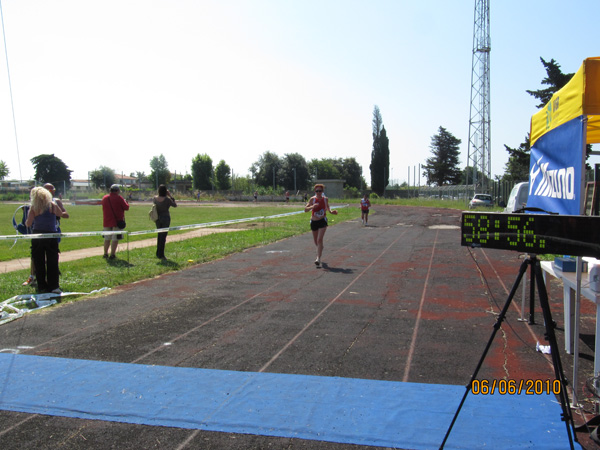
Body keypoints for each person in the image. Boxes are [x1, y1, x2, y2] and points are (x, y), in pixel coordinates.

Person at [23, 183, 69, 287]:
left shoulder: (34, 207)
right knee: (52, 261)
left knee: (39, 261)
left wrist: (27, 222)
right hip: (51, 235)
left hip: (37, 235)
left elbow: (28, 223)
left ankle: (42, 285)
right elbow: (60, 214)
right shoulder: (52, 205)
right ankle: (53, 285)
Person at [304, 184, 337, 267]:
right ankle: (320, 248)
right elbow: (305, 210)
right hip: (314, 221)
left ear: (322, 192)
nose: (318, 192)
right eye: (317, 191)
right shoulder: (312, 199)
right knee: (316, 241)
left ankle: (318, 258)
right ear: (315, 192)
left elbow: (328, 208)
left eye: (320, 191)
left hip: (322, 221)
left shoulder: (325, 199)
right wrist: (312, 207)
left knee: (319, 239)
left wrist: (331, 212)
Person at [101, 184, 129, 259]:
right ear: (117, 191)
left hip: (106, 221)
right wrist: (126, 202)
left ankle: (105, 253)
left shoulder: (104, 198)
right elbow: (126, 207)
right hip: (117, 222)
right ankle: (112, 254)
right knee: (115, 239)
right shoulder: (119, 198)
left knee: (107, 239)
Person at [153, 184, 177, 259]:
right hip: (165, 218)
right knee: (163, 236)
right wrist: (171, 196)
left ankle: (158, 252)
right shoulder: (167, 200)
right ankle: (161, 254)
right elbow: (175, 205)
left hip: (158, 218)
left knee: (159, 235)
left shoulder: (155, 198)